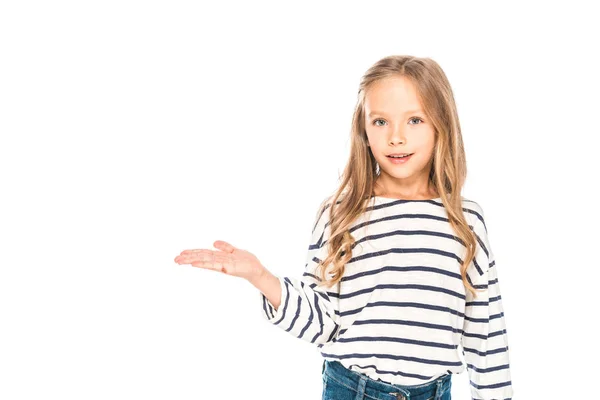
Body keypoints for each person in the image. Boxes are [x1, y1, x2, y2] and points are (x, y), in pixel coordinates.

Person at [174, 55, 514, 400]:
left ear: (441, 124)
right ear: (364, 131)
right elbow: (322, 322)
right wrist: (260, 276)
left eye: (414, 120)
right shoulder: (341, 212)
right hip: (352, 390)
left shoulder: (466, 220)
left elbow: (486, 335)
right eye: (380, 122)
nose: (396, 137)